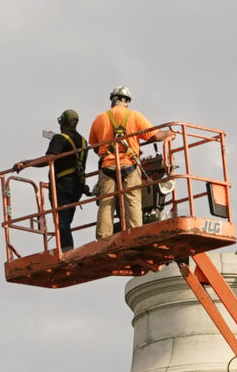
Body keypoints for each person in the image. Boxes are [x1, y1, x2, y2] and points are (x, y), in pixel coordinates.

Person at [89, 87, 160, 240]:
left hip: (107, 167)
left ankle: (103, 239)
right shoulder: (134, 116)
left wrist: (108, 153)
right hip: (130, 165)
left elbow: (94, 146)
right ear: (127, 101)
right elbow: (155, 136)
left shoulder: (99, 119)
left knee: (106, 204)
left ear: (112, 100)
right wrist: (170, 134)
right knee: (132, 201)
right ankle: (135, 236)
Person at [45, 109, 90, 251]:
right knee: (66, 220)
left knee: (62, 221)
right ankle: (66, 247)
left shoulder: (59, 138)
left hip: (62, 186)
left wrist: (26, 163)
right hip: (77, 187)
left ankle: (66, 251)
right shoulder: (83, 142)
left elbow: (49, 159)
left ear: (62, 123)